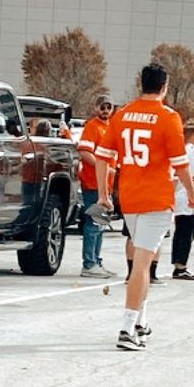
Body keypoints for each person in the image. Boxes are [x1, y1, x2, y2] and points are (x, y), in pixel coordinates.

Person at [99, 65, 194, 351]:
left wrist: (104, 194)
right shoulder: (168, 117)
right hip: (156, 198)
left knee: (143, 259)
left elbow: (103, 156)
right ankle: (127, 327)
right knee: (143, 265)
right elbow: (180, 163)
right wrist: (191, 192)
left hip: (129, 197)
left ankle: (141, 321)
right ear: (164, 87)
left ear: (140, 84)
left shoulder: (122, 114)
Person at [77, 94, 114, 279]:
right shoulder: (92, 126)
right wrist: (103, 169)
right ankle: (89, 264)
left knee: (101, 225)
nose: (105, 110)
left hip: (105, 186)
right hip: (93, 184)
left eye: (108, 107)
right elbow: (84, 152)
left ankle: (96, 261)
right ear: (96, 108)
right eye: (102, 107)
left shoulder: (109, 127)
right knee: (93, 224)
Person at [170, 120, 194, 279]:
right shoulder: (192, 151)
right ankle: (181, 266)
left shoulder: (179, 149)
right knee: (187, 233)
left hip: (179, 196)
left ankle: (177, 264)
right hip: (189, 197)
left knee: (180, 232)